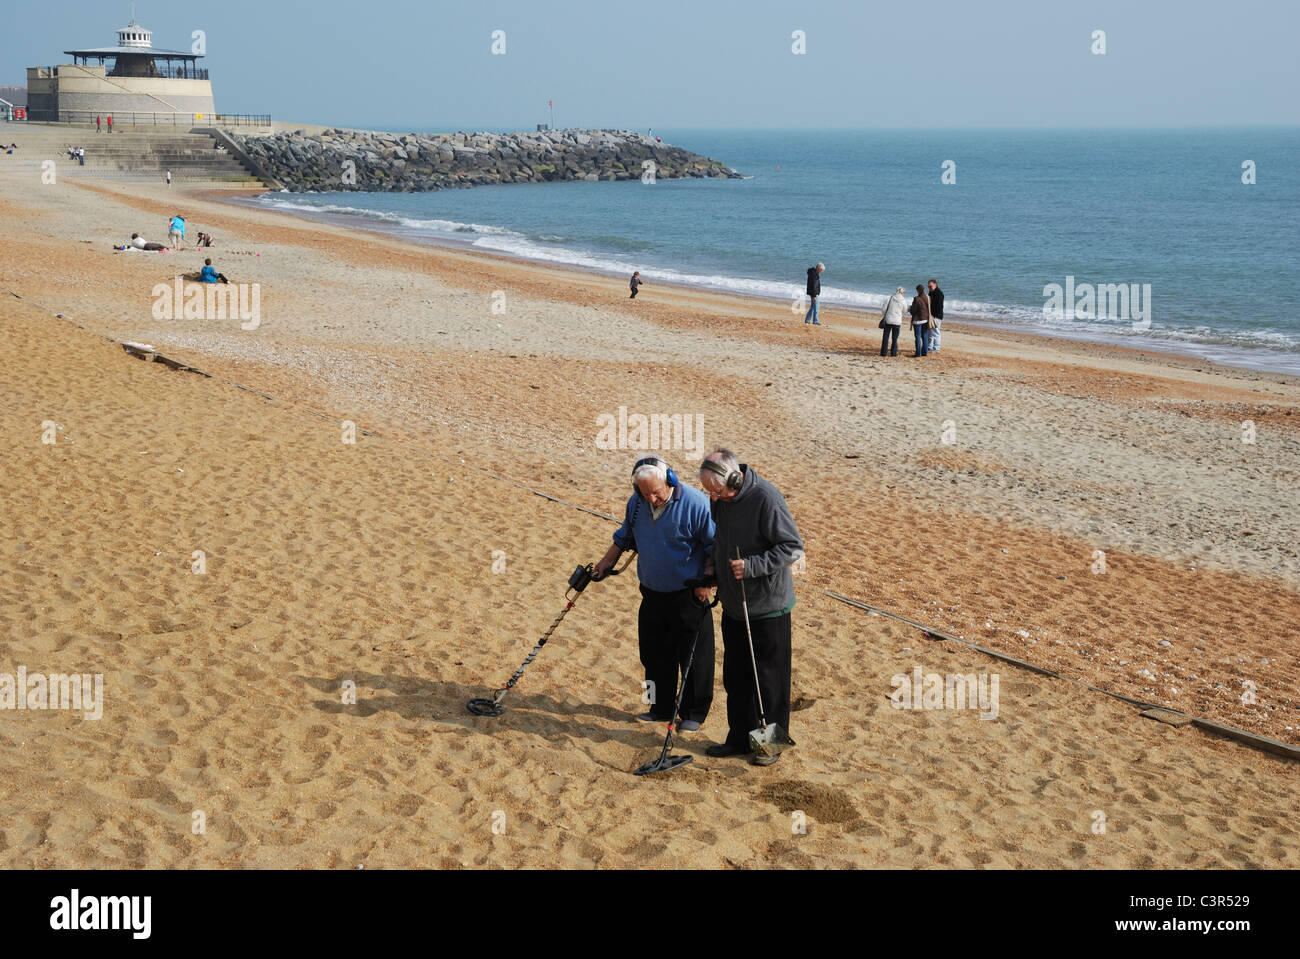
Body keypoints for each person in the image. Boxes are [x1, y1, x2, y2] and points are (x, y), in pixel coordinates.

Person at [697, 449, 804, 767]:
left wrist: (753, 565)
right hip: (734, 605)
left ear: (734, 477)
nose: (714, 498)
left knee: (769, 682)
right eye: (709, 492)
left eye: (716, 491)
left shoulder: (766, 499)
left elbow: (792, 547)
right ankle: (740, 739)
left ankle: (769, 747)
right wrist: (712, 570)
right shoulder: (720, 500)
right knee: (737, 678)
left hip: (768, 608)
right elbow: (721, 540)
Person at [594, 457, 716, 732]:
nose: (653, 498)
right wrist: (605, 563)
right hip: (651, 592)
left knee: (695, 658)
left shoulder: (696, 503)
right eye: (645, 492)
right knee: (652, 655)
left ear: (670, 480)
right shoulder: (636, 503)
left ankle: (694, 713)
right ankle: (658, 708)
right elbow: (624, 537)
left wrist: (708, 581)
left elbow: (714, 545)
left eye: (657, 492)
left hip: (689, 595)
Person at [879, 286, 907, 357]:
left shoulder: (890, 298)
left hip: (888, 320)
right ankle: (893, 353)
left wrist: (885, 314)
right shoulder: (903, 300)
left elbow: (884, 309)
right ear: (902, 293)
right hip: (897, 321)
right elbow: (905, 311)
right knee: (895, 338)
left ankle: (883, 353)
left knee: (885, 337)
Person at [909, 284, 931, 357]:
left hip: (917, 320)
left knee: (918, 337)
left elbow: (913, 311)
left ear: (918, 290)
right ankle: (925, 352)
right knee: (924, 336)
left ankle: (918, 353)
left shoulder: (916, 299)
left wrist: (910, 309)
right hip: (925, 319)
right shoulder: (927, 297)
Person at [927, 279, 944, 353]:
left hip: (936, 316)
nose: (929, 287)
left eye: (931, 286)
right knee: (930, 332)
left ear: (935, 285)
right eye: (928, 286)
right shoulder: (931, 292)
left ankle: (936, 348)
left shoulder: (939, 293)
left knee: (936, 333)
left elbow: (939, 307)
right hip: (931, 316)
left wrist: (934, 316)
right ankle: (929, 347)